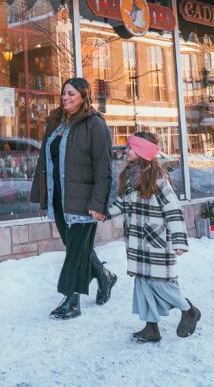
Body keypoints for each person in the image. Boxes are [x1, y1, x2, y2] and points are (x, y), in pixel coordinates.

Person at [100, 131, 201, 342]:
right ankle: (151, 328)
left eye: (130, 147)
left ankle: (189, 310)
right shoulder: (129, 176)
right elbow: (122, 204)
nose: (126, 150)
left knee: (161, 283)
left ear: (142, 151)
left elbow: (173, 210)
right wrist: (104, 214)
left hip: (156, 241)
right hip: (137, 242)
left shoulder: (157, 178)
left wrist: (179, 240)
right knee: (143, 284)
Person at [31, 77, 117, 320]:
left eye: (72, 94)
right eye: (64, 93)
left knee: (76, 250)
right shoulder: (56, 122)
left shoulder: (94, 124)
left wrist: (99, 204)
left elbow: (104, 167)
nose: (66, 97)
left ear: (84, 96)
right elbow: (44, 160)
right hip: (59, 196)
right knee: (76, 248)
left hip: (84, 199)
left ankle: (72, 300)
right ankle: (104, 276)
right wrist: (41, 192)